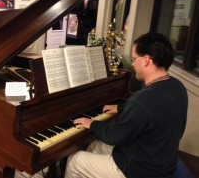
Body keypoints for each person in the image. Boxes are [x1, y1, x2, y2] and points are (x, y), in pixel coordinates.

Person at [65, 32, 188, 178]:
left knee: (75, 160)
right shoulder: (177, 87)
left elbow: (113, 135)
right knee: (94, 146)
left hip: (140, 171)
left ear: (146, 60)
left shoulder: (143, 100)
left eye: (134, 58)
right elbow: (151, 112)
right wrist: (122, 108)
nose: (133, 63)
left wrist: (92, 123)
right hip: (163, 161)